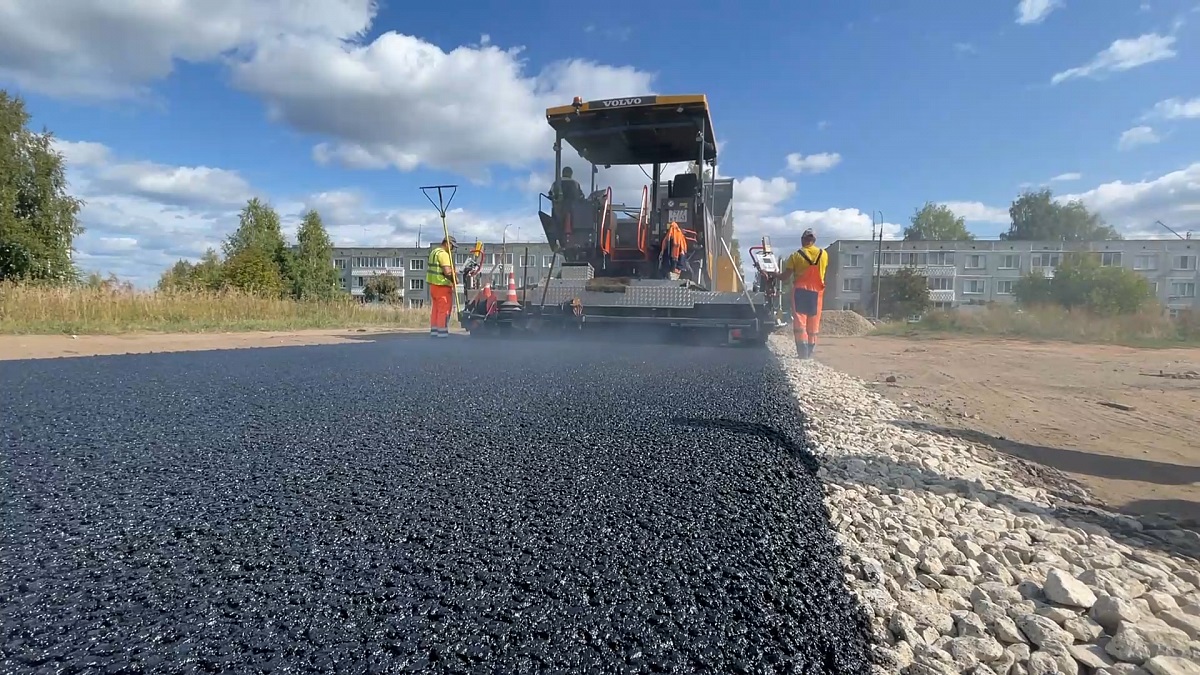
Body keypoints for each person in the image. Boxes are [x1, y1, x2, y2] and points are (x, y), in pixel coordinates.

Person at [779, 228, 828, 359]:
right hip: (817, 292)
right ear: (814, 240)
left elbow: (785, 277)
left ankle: (802, 353)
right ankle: (810, 352)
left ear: (802, 240)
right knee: (814, 322)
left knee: (800, 321)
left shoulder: (796, 255)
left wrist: (773, 275)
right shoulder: (824, 254)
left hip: (800, 290)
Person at [426, 235, 457, 338]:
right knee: (443, 310)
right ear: (447, 244)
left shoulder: (434, 252)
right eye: (452, 246)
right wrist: (455, 280)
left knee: (436, 310)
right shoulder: (444, 254)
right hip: (442, 286)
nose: (452, 249)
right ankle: (442, 333)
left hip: (433, 286)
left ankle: (434, 332)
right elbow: (447, 272)